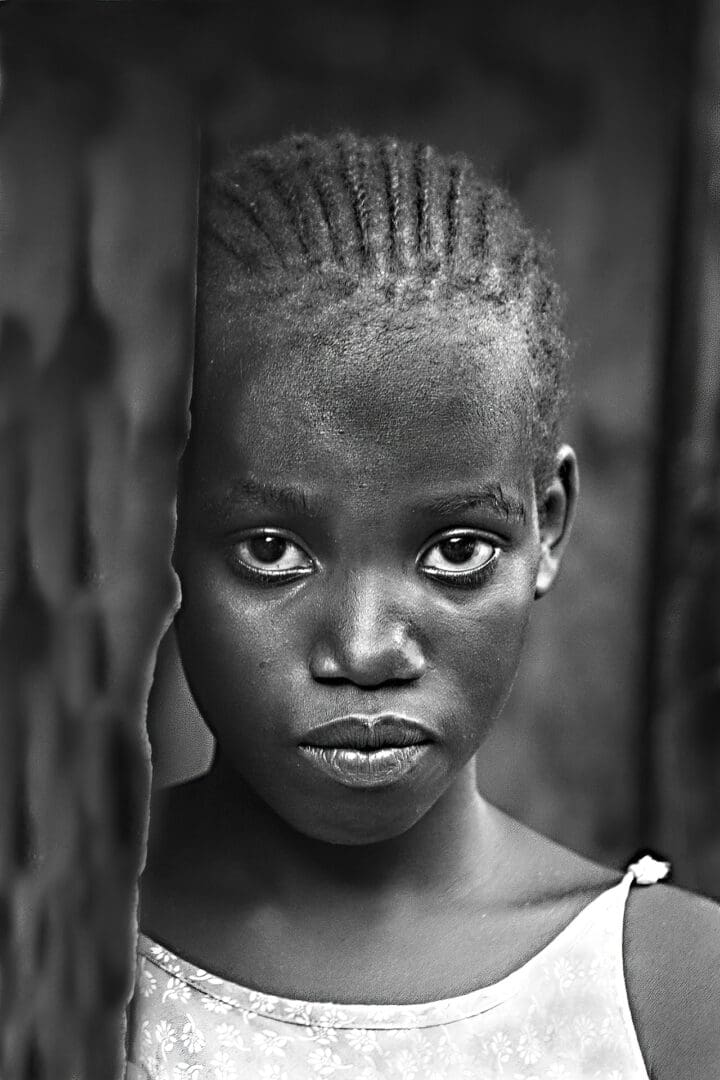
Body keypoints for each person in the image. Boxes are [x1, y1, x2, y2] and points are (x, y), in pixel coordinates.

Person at [124, 132, 720, 1079]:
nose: (365, 650)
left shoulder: (677, 996)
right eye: (271, 550)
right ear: (157, 523)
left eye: (454, 551)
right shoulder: (50, 943)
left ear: (548, 529)